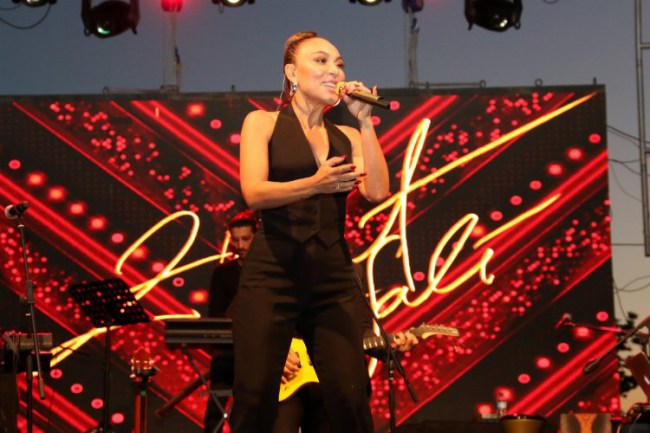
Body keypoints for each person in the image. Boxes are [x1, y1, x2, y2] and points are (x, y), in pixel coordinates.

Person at [230, 30, 390, 433]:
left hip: (332, 275)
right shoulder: (262, 122)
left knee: (350, 397)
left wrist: (365, 122)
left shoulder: (347, 135)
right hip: (273, 270)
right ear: (291, 73)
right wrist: (314, 184)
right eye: (321, 61)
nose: (334, 70)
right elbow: (254, 192)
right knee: (254, 396)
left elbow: (376, 191)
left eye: (339, 64)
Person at [203, 210, 258, 433]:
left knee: (250, 411)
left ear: (256, 238)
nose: (240, 245)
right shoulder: (222, 273)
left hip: (257, 352)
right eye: (236, 240)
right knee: (215, 412)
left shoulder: (269, 273)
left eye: (246, 239)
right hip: (227, 352)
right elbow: (216, 315)